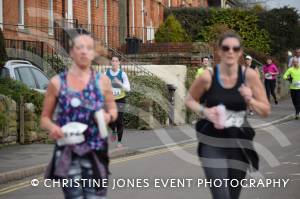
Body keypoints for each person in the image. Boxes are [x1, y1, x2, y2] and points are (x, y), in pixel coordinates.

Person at [185, 32, 270, 199]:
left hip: (239, 142)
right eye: (226, 48)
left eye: (235, 48)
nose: (230, 51)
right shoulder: (207, 76)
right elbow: (189, 100)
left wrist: (250, 99)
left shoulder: (249, 76)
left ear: (240, 52)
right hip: (212, 142)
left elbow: (265, 110)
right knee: (221, 196)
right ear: (219, 51)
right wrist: (205, 111)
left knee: (232, 195)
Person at [41, 28, 118, 199]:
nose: (84, 51)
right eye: (79, 47)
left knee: (95, 196)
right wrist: (53, 128)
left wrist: (108, 116)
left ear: (93, 53)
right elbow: (45, 118)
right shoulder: (56, 82)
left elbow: (113, 109)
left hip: (96, 151)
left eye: (88, 48)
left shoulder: (102, 81)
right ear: (71, 52)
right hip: (68, 151)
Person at [105, 56, 131, 148]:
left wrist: (119, 83)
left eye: (116, 61)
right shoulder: (106, 73)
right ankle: (113, 130)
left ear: (119, 63)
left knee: (119, 121)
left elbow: (128, 89)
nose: (114, 62)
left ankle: (119, 142)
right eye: (113, 61)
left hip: (120, 99)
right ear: (111, 62)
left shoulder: (122, 74)